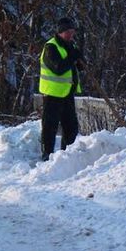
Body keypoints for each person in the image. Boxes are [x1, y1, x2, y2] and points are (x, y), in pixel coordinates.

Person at [39, 17, 85, 161]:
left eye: (72, 32)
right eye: (68, 32)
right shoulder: (50, 47)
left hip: (67, 93)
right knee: (50, 127)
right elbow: (58, 68)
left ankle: (66, 156)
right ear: (60, 32)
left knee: (71, 127)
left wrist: (80, 63)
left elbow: (74, 65)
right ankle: (47, 155)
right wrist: (73, 57)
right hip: (52, 94)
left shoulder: (69, 46)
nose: (71, 35)